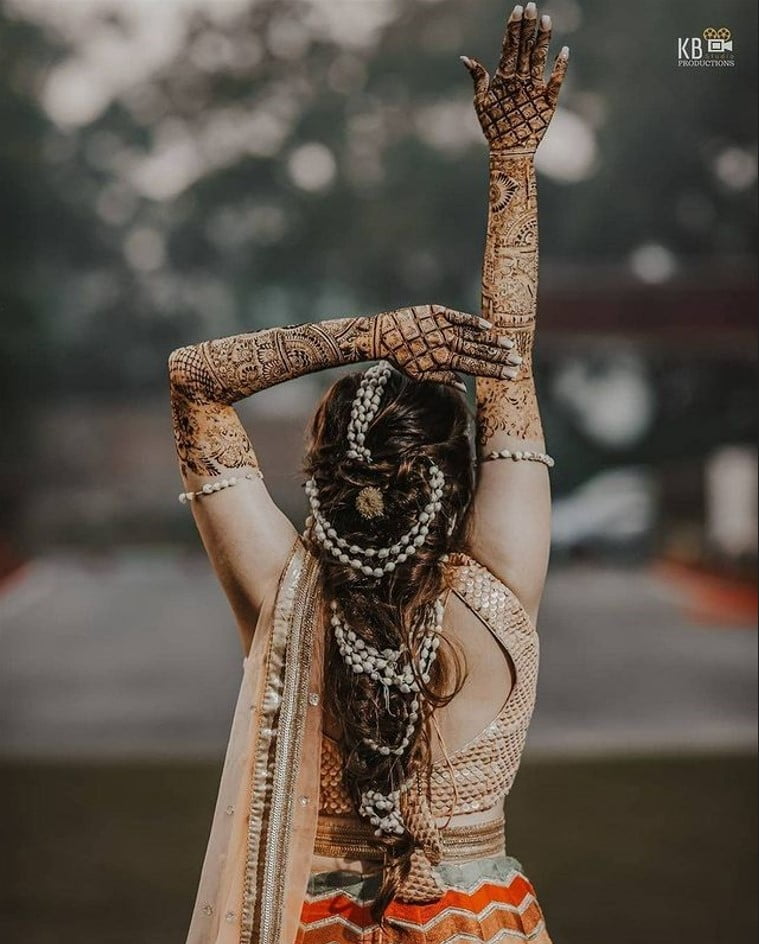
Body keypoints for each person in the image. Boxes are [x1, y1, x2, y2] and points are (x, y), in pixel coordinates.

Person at [169, 4, 568, 942]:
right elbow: (506, 360)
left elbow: (194, 381)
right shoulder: (498, 586)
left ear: (322, 476)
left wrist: (370, 334)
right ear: (457, 474)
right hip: (479, 921)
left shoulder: (284, 597)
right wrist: (511, 162)